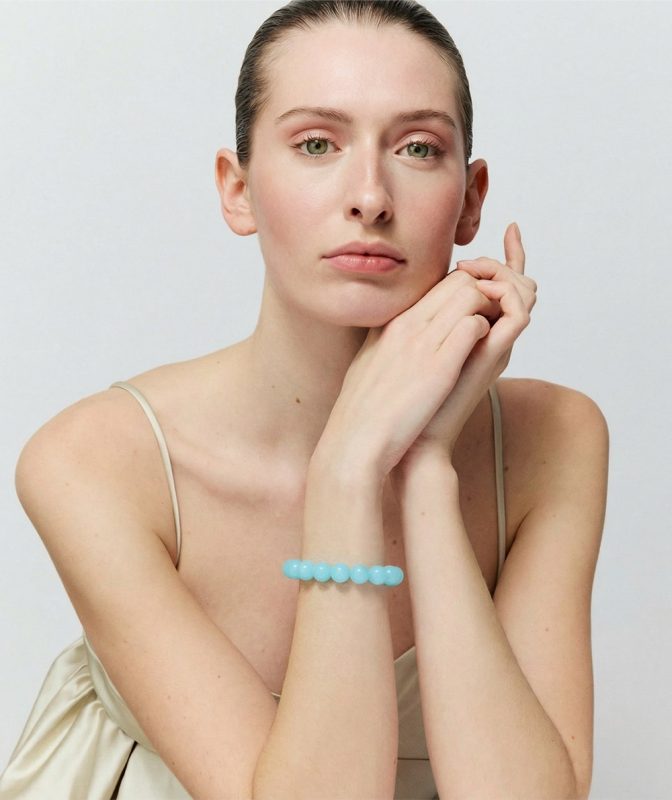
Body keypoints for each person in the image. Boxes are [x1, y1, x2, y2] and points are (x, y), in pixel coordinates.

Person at [0, 1, 609, 798]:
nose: (370, 197)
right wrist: (346, 469)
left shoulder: (554, 439)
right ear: (238, 190)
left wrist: (423, 466)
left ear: (470, 199)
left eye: (418, 148)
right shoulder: (92, 463)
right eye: (317, 144)